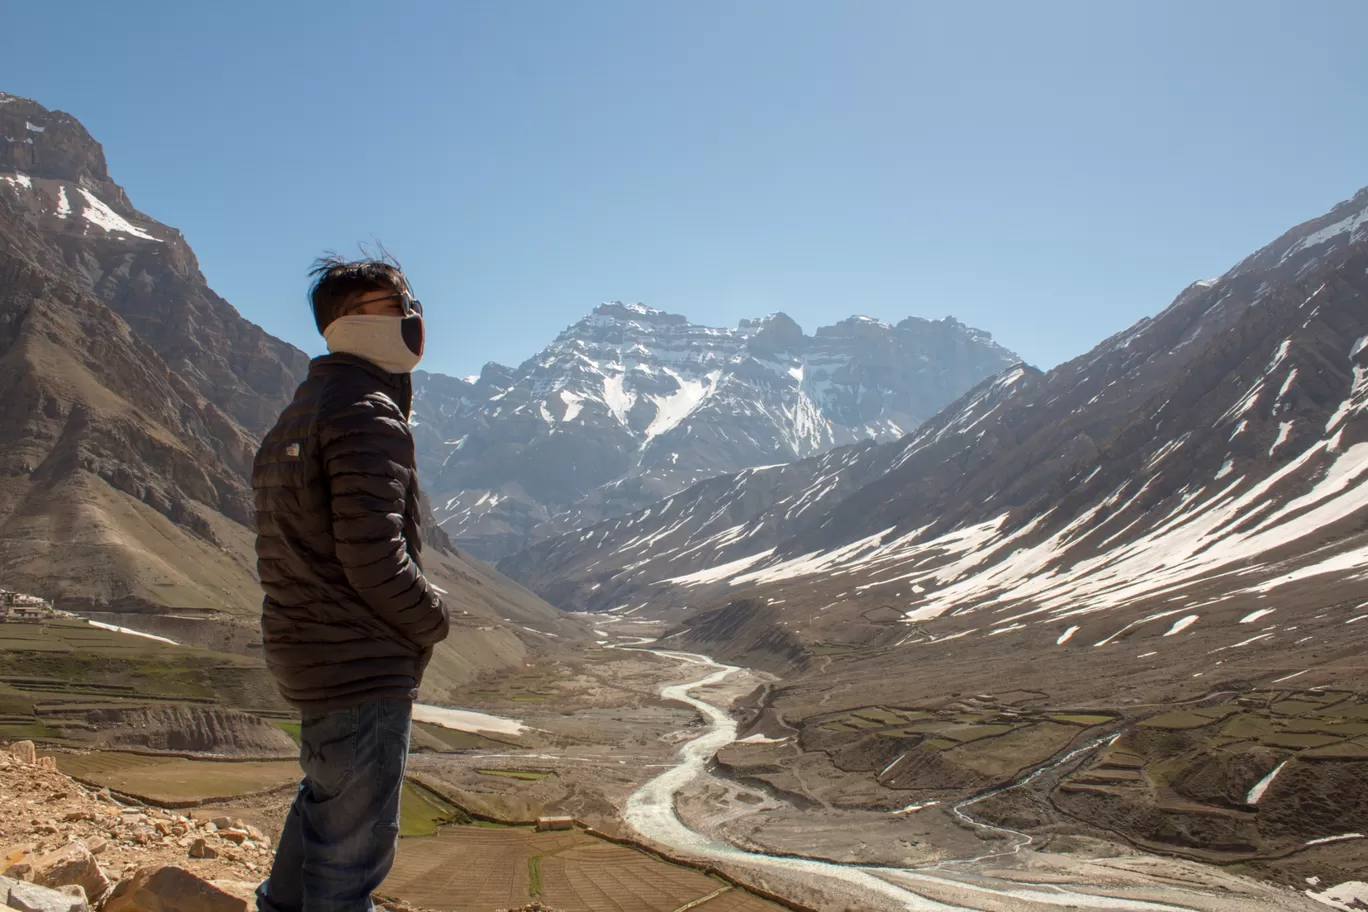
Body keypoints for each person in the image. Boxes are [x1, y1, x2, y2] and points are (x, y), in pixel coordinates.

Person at [252, 254, 450, 912]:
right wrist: (433, 622)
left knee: (322, 808)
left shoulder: (299, 412)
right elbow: (374, 558)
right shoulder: (367, 414)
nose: (412, 318)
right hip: (361, 664)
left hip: (312, 656)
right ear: (351, 322)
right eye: (395, 305)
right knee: (349, 864)